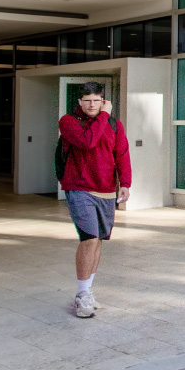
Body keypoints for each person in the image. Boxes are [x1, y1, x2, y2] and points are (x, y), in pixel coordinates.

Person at [58, 82, 132, 318]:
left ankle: (88, 291)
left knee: (98, 239)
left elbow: (122, 154)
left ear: (103, 101)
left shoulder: (114, 124)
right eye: (87, 100)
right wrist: (105, 115)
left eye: (97, 100)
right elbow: (87, 141)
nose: (92, 105)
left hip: (107, 190)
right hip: (79, 188)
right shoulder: (68, 122)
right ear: (79, 102)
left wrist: (126, 184)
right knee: (89, 238)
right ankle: (81, 295)